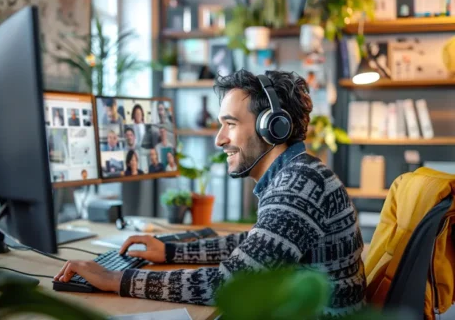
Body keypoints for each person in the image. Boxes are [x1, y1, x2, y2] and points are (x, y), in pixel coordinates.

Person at [54, 69, 366, 317]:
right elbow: (253, 244)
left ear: (271, 127)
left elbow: (227, 284)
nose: (218, 139)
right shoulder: (299, 174)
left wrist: (114, 280)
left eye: (230, 124)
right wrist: (170, 251)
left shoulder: (298, 187)